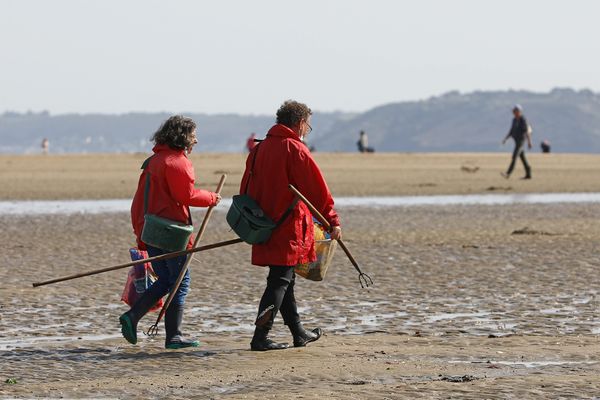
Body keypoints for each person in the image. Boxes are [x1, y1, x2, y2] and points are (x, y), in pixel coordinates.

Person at [240, 100, 342, 351]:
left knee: (285, 278)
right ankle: (260, 337)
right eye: (308, 124)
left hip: (264, 224)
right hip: (287, 226)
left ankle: (298, 332)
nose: (308, 129)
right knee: (280, 280)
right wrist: (332, 221)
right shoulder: (294, 148)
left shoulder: (259, 149)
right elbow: (318, 191)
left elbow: (245, 190)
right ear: (299, 123)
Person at [120, 115, 221, 349]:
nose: (196, 141)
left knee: (166, 279)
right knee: (180, 281)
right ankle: (173, 336)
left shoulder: (154, 160)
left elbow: (139, 202)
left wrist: (140, 231)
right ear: (182, 136)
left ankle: (133, 317)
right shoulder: (177, 162)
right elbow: (186, 196)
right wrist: (212, 198)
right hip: (170, 232)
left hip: (151, 229)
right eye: (193, 136)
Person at [501, 104, 532, 179]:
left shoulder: (523, 120)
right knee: (522, 158)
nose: (514, 112)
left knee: (514, 156)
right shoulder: (514, 120)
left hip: (521, 142)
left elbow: (527, 131)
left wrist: (529, 142)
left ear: (519, 111)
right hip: (516, 141)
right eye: (513, 111)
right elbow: (511, 131)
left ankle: (508, 173)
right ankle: (528, 173)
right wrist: (505, 138)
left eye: (515, 111)